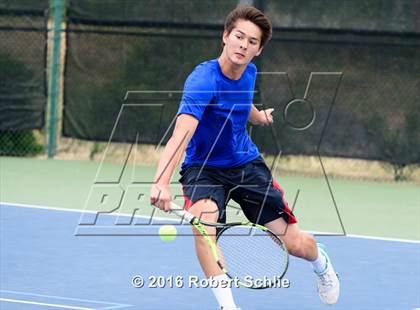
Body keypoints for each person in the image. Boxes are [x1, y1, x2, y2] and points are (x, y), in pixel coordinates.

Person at [150, 5, 339, 310]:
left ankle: (322, 263)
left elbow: (241, 99)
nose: (243, 45)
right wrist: (160, 181)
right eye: (239, 36)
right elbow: (181, 135)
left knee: (294, 244)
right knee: (204, 226)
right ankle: (228, 306)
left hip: (246, 166)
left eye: (252, 42)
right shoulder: (202, 80)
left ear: (259, 50)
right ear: (225, 36)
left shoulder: (249, 71)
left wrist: (257, 117)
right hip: (203, 168)